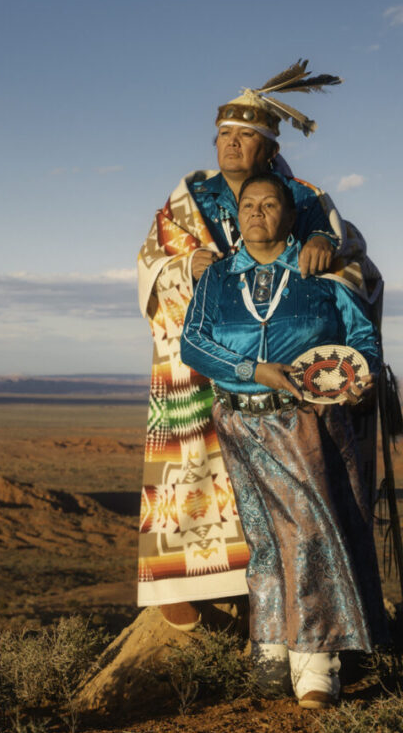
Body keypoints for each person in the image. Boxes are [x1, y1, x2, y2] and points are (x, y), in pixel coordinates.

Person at [135, 62, 381, 630]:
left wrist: (323, 244)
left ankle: (289, 603)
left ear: (269, 149)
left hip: (283, 363)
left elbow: (350, 254)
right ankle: (183, 582)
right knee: (193, 462)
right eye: (224, 135)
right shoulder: (188, 197)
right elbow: (152, 261)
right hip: (206, 352)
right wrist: (183, 265)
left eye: (245, 137)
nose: (230, 145)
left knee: (292, 481)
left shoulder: (304, 197)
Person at [179, 174, 390, 708]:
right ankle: (271, 647)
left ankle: (318, 662)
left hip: (306, 422)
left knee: (310, 534)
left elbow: (361, 338)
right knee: (265, 537)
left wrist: (354, 380)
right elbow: (193, 344)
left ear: (290, 215)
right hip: (238, 420)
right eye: (248, 204)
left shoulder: (325, 269)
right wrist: (253, 369)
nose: (256, 213)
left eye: (270, 204)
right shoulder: (218, 276)